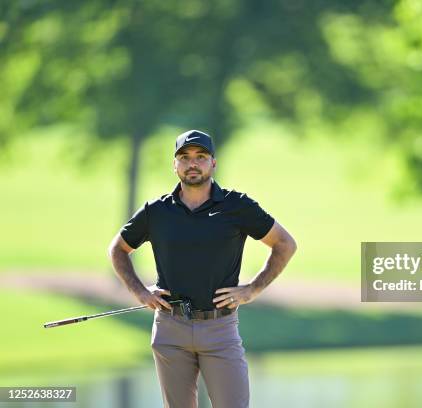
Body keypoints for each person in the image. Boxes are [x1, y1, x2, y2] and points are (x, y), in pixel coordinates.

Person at [107, 130, 297, 408]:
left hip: (220, 329)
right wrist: (140, 292)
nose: (192, 163)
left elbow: (284, 244)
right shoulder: (156, 212)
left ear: (213, 163)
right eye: (184, 157)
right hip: (170, 329)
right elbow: (118, 250)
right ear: (175, 165)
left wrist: (252, 290)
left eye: (200, 157)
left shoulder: (237, 206)